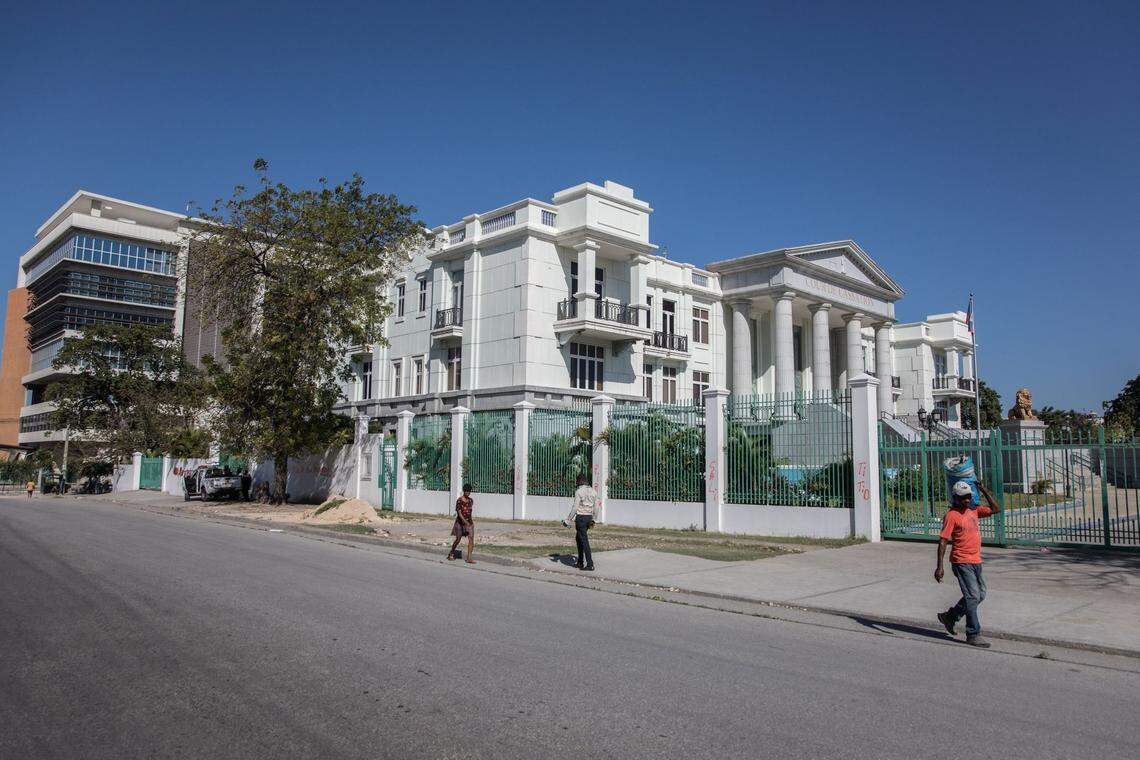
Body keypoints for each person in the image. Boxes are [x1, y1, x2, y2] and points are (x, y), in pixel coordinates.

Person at [935, 478, 1002, 647]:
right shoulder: (951, 516)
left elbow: (996, 509)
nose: (967, 500)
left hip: (975, 560)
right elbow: (943, 541)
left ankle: (950, 617)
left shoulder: (974, 510)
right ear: (955, 498)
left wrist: (983, 489)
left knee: (980, 595)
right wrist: (940, 566)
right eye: (963, 497)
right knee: (972, 596)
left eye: (969, 497)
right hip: (961, 561)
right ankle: (973, 633)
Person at [563, 474, 598, 571]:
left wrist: (568, 519)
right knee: (579, 538)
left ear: (581, 481)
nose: (576, 483)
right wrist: (594, 519)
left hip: (581, 518)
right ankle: (580, 562)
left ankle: (590, 564)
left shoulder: (579, 491)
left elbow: (575, 507)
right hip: (589, 518)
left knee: (584, 540)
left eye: (577, 481)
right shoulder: (594, 492)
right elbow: (597, 507)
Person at [447, 483, 476, 564]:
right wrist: (465, 522)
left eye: (469, 491)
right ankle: (451, 553)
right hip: (460, 523)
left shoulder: (471, 500)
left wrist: (469, 523)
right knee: (458, 539)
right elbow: (459, 514)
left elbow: (469, 512)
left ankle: (469, 558)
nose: (468, 493)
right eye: (466, 491)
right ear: (464, 491)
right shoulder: (459, 501)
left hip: (469, 523)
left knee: (471, 539)